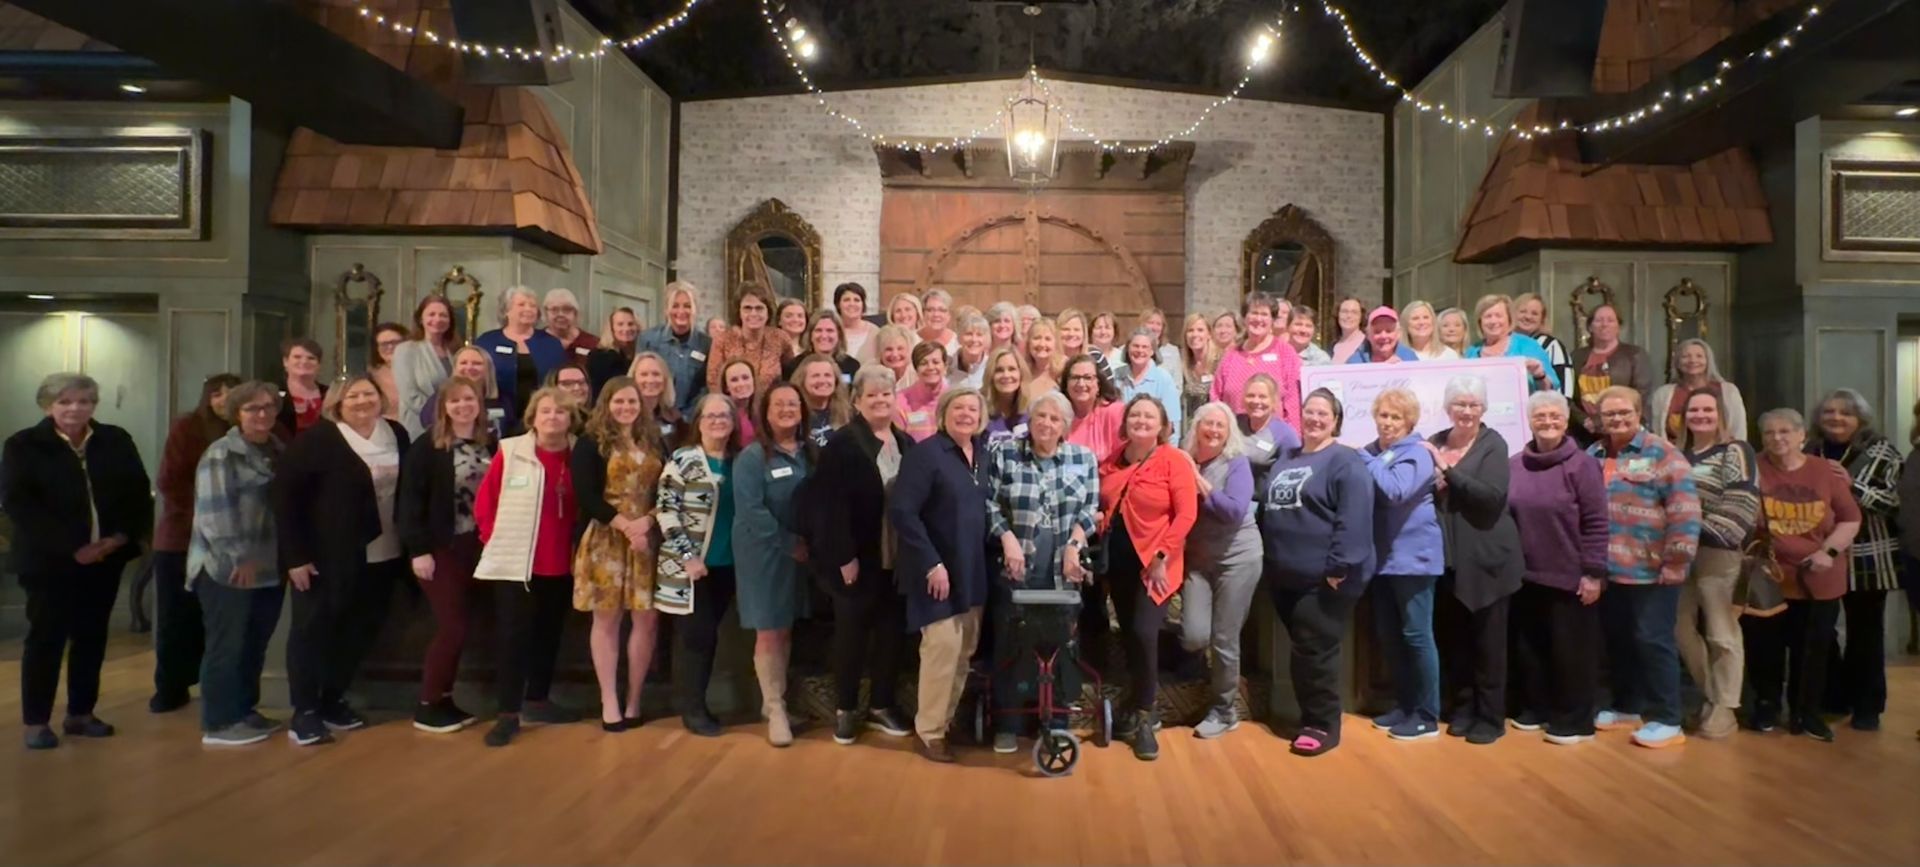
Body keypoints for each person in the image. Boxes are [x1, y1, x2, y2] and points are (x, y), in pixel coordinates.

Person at [3, 373, 152, 751]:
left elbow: (137, 493)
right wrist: (73, 547)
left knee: (91, 637)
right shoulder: (24, 445)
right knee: (46, 639)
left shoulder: (115, 440)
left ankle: (81, 714)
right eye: (65, 402)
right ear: (47, 406)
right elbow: (20, 505)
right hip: (48, 561)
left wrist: (118, 538)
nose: (75, 409)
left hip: (106, 557)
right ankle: (36, 721)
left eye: (84, 402)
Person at [273, 374, 411, 746]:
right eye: (354, 396)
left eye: (369, 394)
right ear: (337, 403)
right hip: (325, 555)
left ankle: (333, 699)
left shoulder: (395, 433)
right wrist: (295, 556)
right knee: (313, 631)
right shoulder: (318, 440)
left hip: (385, 552)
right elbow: (286, 500)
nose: (363, 401)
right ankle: (304, 712)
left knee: (359, 630)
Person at [1258, 388, 1375, 756]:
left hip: (1326, 578)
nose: (1315, 418)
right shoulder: (1287, 458)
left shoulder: (1345, 461)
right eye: (1309, 411)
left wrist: (1339, 567)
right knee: (1305, 650)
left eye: (1323, 413)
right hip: (1285, 576)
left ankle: (1322, 725)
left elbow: (1354, 519)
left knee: (1316, 651)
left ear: (1336, 420)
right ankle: (1309, 716)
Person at [1586, 385, 1700, 749]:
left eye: (1625, 413)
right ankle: (1626, 707)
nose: (1617, 420)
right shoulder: (1594, 454)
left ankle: (1668, 718)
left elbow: (1685, 510)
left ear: (1639, 414)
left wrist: (1677, 560)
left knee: (1654, 641)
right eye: (1610, 415)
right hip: (1609, 569)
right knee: (1619, 642)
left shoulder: (1663, 453)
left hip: (1651, 569)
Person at [983, 390, 1097, 753]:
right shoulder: (1005, 455)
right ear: (1029, 422)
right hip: (1017, 569)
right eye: (1040, 417)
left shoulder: (1083, 458)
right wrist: (1006, 538)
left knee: (1061, 644)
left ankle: (1057, 718)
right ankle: (1008, 721)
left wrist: (1075, 546)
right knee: (1012, 642)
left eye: (1054, 419)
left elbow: (1090, 509)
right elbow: (988, 503)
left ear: (1065, 426)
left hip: (1064, 571)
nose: (1046, 424)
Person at [470, 387, 583, 747]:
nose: (553, 417)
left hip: (562, 561)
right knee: (513, 639)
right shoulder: (512, 450)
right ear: (533, 416)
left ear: (570, 419)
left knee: (549, 635)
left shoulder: (580, 453)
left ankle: (538, 699)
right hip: (517, 560)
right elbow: (486, 501)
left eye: (561, 412)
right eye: (546, 411)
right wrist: (493, 538)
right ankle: (507, 714)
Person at [811, 368, 916, 746]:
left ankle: (882, 704)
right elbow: (828, 506)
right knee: (851, 635)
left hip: (896, 557)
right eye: (871, 395)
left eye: (886, 395)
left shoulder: (905, 442)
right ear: (856, 401)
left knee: (891, 634)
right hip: (857, 556)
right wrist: (844, 556)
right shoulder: (843, 444)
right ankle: (845, 709)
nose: (880, 401)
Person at [890, 388, 993, 763]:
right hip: (936, 572)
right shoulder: (926, 454)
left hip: (972, 570)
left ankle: (944, 725)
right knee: (942, 650)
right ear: (944, 413)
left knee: (964, 651)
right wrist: (932, 563)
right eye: (959, 408)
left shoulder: (980, 454)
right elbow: (903, 512)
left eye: (973, 408)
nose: (966, 414)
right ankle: (929, 732)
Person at [1750, 408, 1863, 742]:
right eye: (1769, 432)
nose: (1777, 438)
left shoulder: (1824, 472)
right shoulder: (1752, 467)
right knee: (1764, 648)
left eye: (1785, 431)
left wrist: (1828, 552)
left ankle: (1807, 712)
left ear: (1802, 436)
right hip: (1768, 577)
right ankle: (1766, 705)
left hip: (1819, 576)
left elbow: (1850, 519)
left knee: (1812, 649)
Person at [1095, 395, 1198, 761]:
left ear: (1162, 425)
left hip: (1155, 563)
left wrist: (1161, 555)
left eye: (1148, 416)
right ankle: (1136, 702)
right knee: (1128, 634)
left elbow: (1186, 514)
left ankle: (1145, 715)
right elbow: (1105, 501)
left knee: (1143, 632)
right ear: (1125, 423)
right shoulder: (1112, 459)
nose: (1141, 420)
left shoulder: (1173, 460)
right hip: (1118, 562)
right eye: (1135, 414)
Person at [1425, 376, 1525, 745]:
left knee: (1489, 646)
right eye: (1460, 405)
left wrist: (1448, 472)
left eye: (1474, 405)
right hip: (1447, 563)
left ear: (1483, 409)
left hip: (1489, 562)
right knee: (1456, 642)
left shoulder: (1493, 444)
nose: (1467, 412)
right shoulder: (1435, 441)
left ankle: (1491, 716)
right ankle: (1463, 709)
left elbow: (1491, 497)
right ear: (1449, 408)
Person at [186, 382, 287, 746]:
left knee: (253, 644)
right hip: (226, 568)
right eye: (252, 409)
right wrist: (238, 558)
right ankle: (218, 722)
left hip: (269, 565)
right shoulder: (222, 454)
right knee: (226, 645)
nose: (261, 415)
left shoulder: (276, 449)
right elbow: (215, 514)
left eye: (267, 408)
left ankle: (244, 710)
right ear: (236, 413)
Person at [1507, 390, 1609, 745]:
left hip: (1570, 576)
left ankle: (1576, 720)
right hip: (1526, 575)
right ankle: (1538, 708)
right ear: (1530, 420)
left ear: (1566, 422)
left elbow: (1597, 521)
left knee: (1572, 653)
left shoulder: (1583, 465)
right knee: (1532, 648)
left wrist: (1594, 572)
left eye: (1554, 416)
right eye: (1540, 416)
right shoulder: (1515, 464)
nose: (1547, 422)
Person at [396, 376, 496, 734]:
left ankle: (445, 697)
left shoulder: (491, 443)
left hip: (480, 547)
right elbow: (409, 502)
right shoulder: (428, 447)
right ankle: (427, 702)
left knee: (467, 626)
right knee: (452, 626)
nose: (463, 406)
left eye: (469, 399)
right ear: (444, 407)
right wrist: (418, 550)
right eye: (455, 401)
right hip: (441, 549)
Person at [570, 377, 667, 733]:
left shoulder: (654, 440)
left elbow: (668, 488)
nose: (626, 408)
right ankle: (608, 699)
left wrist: (648, 522)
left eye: (632, 402)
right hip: (606, 538)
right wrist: (627, 525)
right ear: (606, 405)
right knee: (607, 620)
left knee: (647, 620)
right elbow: (587, 495)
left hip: (647, 537)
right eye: (619, 402)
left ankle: (634, 699)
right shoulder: (589, 443)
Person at [1806, 387, 1901, 732]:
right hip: (1819, 556)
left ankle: (1867, 707)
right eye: (1829, 412)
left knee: (1865, 634)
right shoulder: (1810, 449)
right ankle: (1833, 698)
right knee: (1820, 631)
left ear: (1860, 419)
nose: (1836, 418)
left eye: (1844, 413)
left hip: (1867, 555)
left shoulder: (1882, 450)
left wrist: (1853, 487)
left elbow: (1895, 502)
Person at [149, 373, 241, 714]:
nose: (222, 400)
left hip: (232, 541)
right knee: (176, 618)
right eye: (216, 394)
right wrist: (206, 518)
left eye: (230, 394)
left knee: (219, 621)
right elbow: (170, 481)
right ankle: (169, 688)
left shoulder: (253, 431)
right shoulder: (187, 427)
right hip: (181, 538)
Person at [732, 382, 815, 747]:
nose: (786, 409)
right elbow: (750, 511)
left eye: (793, 404)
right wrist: (788, 543)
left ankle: (774, 701)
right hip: (764, 553)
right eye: (778, 404)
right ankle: (775, 709)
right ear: (765, 412)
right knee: (768, 628)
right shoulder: (752, 457)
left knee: (786, 627)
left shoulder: (810, 453)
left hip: (800, 552)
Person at [656, 393, 745, 736]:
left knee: (710, 638)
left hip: (727, 565)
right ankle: (691, 709)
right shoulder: (683, 459)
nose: (718, 421)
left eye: (724, 415)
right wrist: (688, 557)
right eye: (710, 416)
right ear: (699, 421)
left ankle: (700, 704)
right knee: (696, 638)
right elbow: (666, 510)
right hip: (691, 568)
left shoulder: (740, 460)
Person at [1676, 388, 1761, 739]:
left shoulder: (1736, 450)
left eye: (1708, 409)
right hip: (1678, 552)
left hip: (1717, 549)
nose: (1700, 415)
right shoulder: (1677, 454)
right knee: (1678, 628)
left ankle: (1725, 707)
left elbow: (1742, 498)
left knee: (1720, 630)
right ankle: (1711, 695)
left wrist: (1697, 531)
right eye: (1694, 410)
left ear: (1720, 414)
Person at [1361, 388, 1445, 741]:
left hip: (1415, 559)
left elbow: (1395, 490)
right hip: (1383, 560)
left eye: (1396, 417)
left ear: (1409, 421)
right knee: (1391, 637)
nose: (1388, 423)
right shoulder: (1375, 451)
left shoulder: (1418, 453)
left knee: (1417, 635)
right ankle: (1405, 704)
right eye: (1384, 415)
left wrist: (1362, 459)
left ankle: (1426, 715)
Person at [1179, 401, 1263, 740]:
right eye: (1207, 423)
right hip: (1198, 560)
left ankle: (1224, 710)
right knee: (1195, 635)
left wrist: (1197, 478)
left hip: (1238, 558)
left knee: (1225, 638)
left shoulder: (1236, 463)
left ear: (1228, 433)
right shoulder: (1183, 458)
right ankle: (1200, 684)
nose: (1213, 430)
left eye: (1220, 425)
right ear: (1196, 428)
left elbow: (1231, 511)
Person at [1212, 294, 1303, 432]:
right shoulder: (1231, 354)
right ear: (1244, 318)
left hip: (1273, 441)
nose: (1258, 319)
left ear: (1272, 320)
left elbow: (1293, 402)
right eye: (1254, 313)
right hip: (1234, 439)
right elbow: (1216, 397)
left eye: (1264, 314)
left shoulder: (1285, 352)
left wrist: (1292, 442)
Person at [474, 287, 566, 423]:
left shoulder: (551, 343)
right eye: (521, 304)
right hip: (497, 414)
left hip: (542, 415)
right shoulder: (487, 341)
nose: (528, 309)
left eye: (533, 306)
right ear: (506, 310)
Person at [1571, 305, 1655, 437]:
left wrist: (1607, 418)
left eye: (1610, 320)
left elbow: (1641, 394)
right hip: (1585, 432)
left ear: (1618, 326)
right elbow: (1569, 396)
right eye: (1599, 320)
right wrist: (1584, 420)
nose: (1604, 324)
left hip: (1623, 426)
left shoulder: (1634, 355)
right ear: (1590, 327)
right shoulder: (1576, 357)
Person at [1649, 338, 1748, 443]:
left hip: (1720, 454)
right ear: (1677, 362)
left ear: (1708, 361)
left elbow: (1739, 429)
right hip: (1675, 456)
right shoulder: (1662, 394)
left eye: (1699, 356)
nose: (1692, 360)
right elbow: (1657, 433)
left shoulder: (1729, 391)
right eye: (1685, 356)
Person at [637, 281, 711, 417]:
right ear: (666, 309)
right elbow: (638, 380)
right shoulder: (648, 339)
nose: (681, 312)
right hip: (653, 416)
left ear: (695, 309)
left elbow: (706, 386)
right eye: (675, 306)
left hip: (692, 419)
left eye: (687, 306)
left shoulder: (706, 344)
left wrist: (687, 416)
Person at [392, 295, 460, 438]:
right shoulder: (406, 350)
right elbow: (410, 395)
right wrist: (443, 414)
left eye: (443, 315)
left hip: (454, 427)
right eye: (431, 314)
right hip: (420, 428)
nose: (437, 319)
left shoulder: (455, 351)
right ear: (420, 319)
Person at [708, 283, 793, 395]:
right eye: (747, 308)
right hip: (733, 407)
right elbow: (714, 382)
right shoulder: (723, 339)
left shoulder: (781, 338)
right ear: (739, 312)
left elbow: (791, 377)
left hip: (770, 407)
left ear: (768, 312)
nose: (753, 313)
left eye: (759, 308)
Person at [1465, 294, 1559, 394]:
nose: (1493, 321)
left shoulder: (1527, 345)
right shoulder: (1472, 352)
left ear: (1509, 319)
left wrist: (1539, 375)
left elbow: (1550, 390)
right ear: (1480, 322)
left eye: (1498, 316)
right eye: (1488, 316)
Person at [1236, 373, 1301, 492]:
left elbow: (1296, 472)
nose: (1256, 401)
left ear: (1273, 401)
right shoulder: (1234, 423)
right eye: (1251, 395)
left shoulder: (1285, 434)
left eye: (1262, 397)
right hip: (1231, 498)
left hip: (1261, 503)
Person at [433, 345, 512, 438]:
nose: (469, 367)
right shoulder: (441, 397)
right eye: (463, 363)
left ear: (488, 369)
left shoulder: (504, 399)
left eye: (477, 363)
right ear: (455, 368)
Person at [1063, 355, 1128, 463]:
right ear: (1066, 384)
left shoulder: (1115, 412)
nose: (1081, 384)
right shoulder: (1059, 414)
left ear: (1099, 384)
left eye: (1088, 378)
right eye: (1075, 377)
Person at [1117, 328, 1182, 433]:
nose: (1140, 350)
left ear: (1152, 351)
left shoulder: (1164, 379)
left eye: (1145, 347)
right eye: (1135, 346)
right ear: (1127, 348)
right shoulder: (1116, 376)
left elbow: (1172, 423)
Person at [1513, 292, 1574, 401]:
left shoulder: (1552, 346)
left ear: (1542, 319)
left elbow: (1566, 388)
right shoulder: (1504, 343)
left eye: (1534, 313)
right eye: (1523, 311)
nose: (1528, 317)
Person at [791, 354, 851, 448]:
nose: (822, 381)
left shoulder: (849, 413)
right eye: (815, 376)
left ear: (836, 380)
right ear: (802, 381)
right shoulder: (793, 414)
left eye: (827, 375)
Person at [783, 309, 860, 382]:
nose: (824, 336)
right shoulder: (794, 366)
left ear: (839, 335)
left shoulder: (852, 366)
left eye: (830, 330)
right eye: (818, 330)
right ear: (810, 335)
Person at [630, 351, 685, 448]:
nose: (650, 380)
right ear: (633, 379)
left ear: (665, 380)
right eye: (644, 374)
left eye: (656, 374)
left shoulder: (675, 417)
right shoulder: (625, 416)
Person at [275, 337, 327, 441]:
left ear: (319, 365)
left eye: (311, 358)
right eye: (297, 357)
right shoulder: (273, 392)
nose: (304, 361)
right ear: (285, 362)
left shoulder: (330, 393)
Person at [585, 306, 643, 397]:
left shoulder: (642, 354)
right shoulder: (600, 356)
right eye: (620, 324)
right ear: (612, 328)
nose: (626, 329)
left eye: (631, 324)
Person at [896, 342, 949, 442]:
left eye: (936, 362)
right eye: (923, 363)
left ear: (945, 366)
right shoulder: (899, 401)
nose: (930, 367)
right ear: (916, 369)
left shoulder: (954, 399)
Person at [1179, 313, 1221, 436]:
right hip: (1191, 431)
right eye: (1190, 330)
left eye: (1200, 330)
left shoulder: (1220, 362)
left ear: (1209, 334)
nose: (1195, 334)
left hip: (1215, 429)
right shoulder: (1184, 365)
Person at [982, 347, 1031, 444]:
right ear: (990, 376)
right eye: (999, 370)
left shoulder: (1031, 411)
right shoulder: (979, 410)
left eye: (1012, 369)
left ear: (1021, 374)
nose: (1006, 375)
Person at [1348, 306, 1421, 364]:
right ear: (1368, 335)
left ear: (1399, 334)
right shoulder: (1356, 361)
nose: (1383, 336)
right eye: (1377, 332)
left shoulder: (1409, 358)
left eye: (1389, 331)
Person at [543, 288, 600, 360]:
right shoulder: (535, 342)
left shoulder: (592, 343)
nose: (561, 314)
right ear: (546, 313)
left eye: (566, 309)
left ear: (575, 313)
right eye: (554, 309)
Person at [369, 322, 410, 422]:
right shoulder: (371, 376)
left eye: (395, 342)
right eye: (384, 344)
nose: (390, 347)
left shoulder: (420, 369)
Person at [1020, 318, 1063, 403]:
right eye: (1036, 338)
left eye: (1047, 339)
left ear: (1056, 343)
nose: (1042, 344)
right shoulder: (1021, 373)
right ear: (1028, 343)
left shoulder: (1065, 371)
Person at [946, 313, 991, 390]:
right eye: (968, 334)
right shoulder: (947, 364)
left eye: (979, 335)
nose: (974, 339)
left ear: (986, 339)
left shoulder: (991, 366)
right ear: (959, 338)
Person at [719, 359, 760, 444]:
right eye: (734, 380)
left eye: (745, 378)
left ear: (753, 381)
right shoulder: (721, 417)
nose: (741, 384)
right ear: (726, 387)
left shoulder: (762, 412)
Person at [836, 282, 880, 360]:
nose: (852, 304)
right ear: (838, 304)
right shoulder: (831, 331)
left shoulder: (875, 333)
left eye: (857, 300)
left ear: (863, 305)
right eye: (846, 300)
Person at [872, 323, 918, 388]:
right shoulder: (869, 375)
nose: (895, 354)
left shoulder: (918, 375)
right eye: (888, 349)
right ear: (879, 352)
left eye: (900, 349)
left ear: (909, 350)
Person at [920, 288, 960, 358]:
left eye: (942, 310)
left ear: (949, 315)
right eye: (930, 310)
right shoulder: (912, 340)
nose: (936, 314)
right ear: (923, 313)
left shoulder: (958, 343)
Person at [1141, 307, 1183, 373]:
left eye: (1158, 324)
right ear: (1143, 325)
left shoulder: (1173, 351)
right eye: (1151, 323)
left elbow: (1177, 381)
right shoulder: (1129, 349)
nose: (1154, 327)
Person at [1328, 296, 1367, 364]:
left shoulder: (1368, 345)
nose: (1349, 316)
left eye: (1354, 312)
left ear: (1361, 317)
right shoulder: (1331, 348)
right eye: (1344, 311)